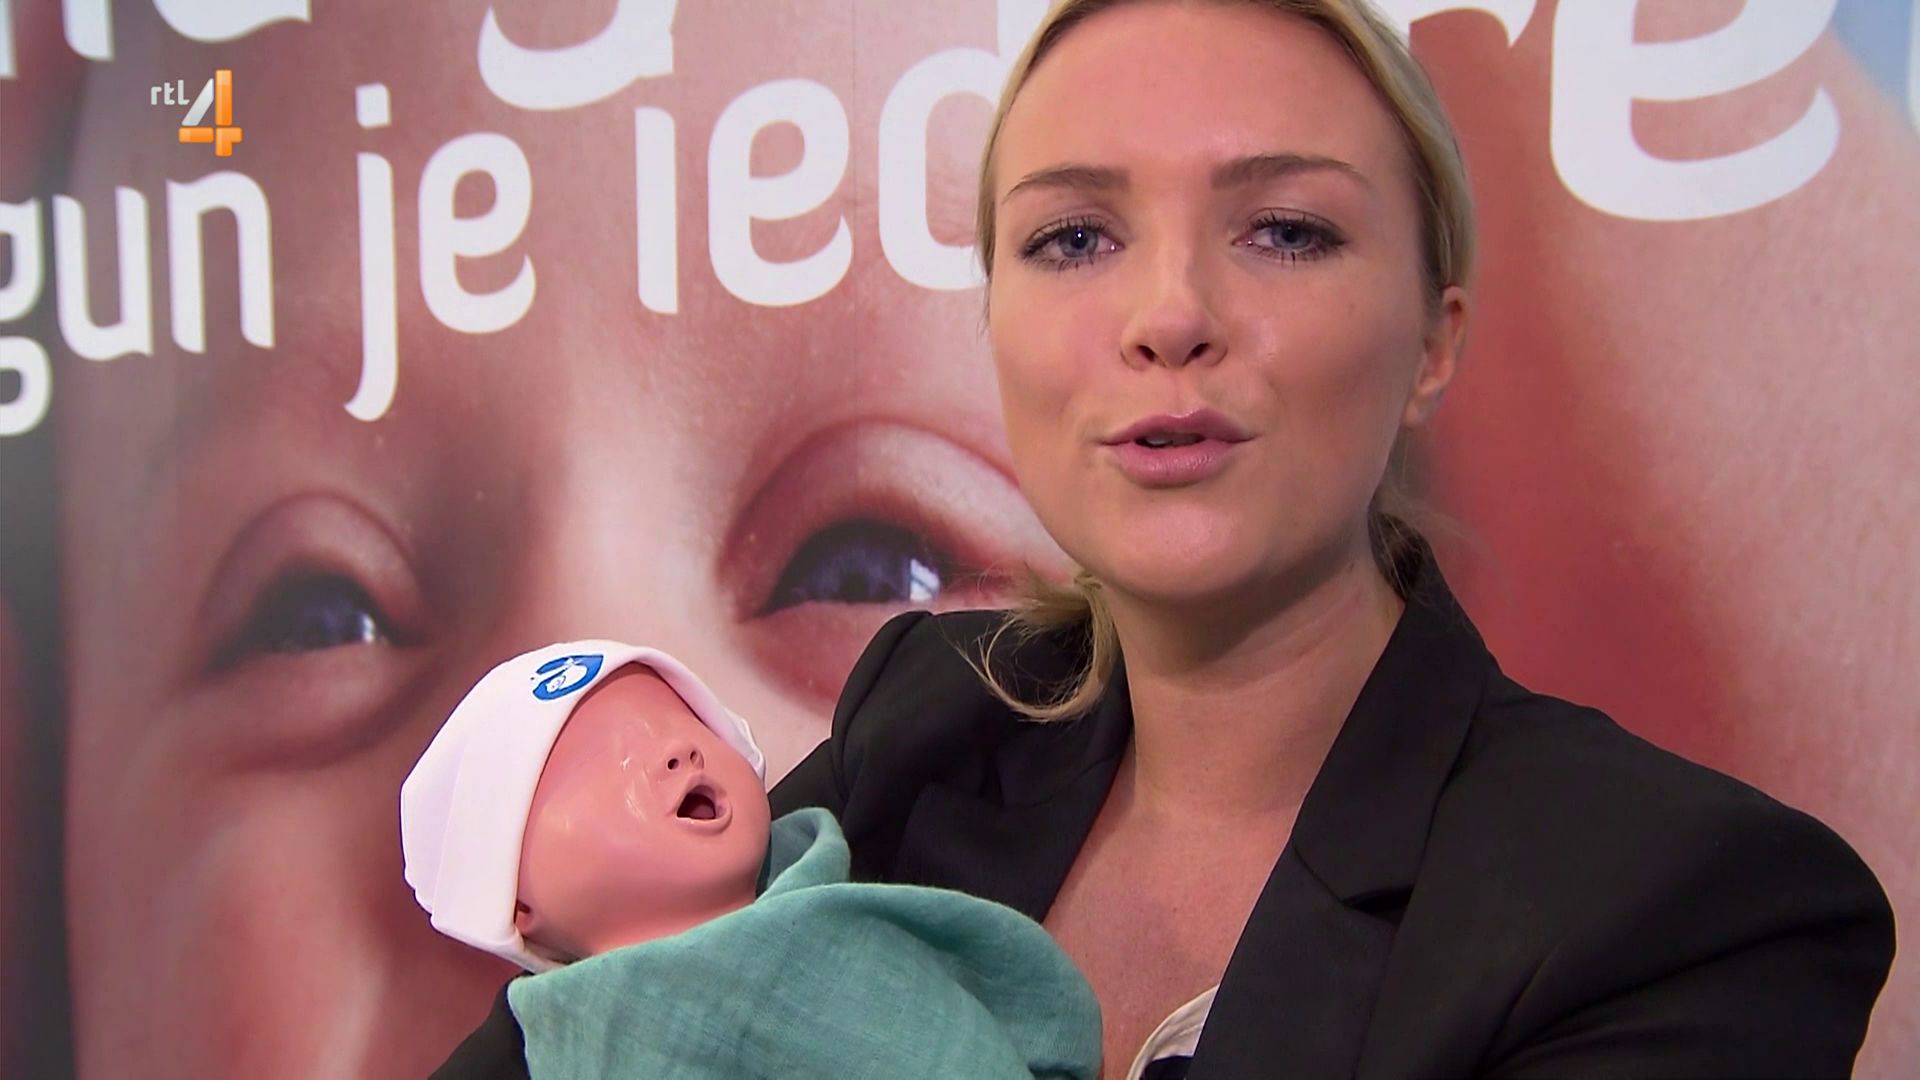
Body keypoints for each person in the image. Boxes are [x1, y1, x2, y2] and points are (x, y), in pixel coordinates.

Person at [768, 1, 1897, 1076]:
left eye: (1286, 232)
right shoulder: (919, 729)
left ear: (1432, 346)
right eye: (1072, 239)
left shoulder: (1689, 910)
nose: (1170, 316)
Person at [404, 642, 1099, 1079]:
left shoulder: (852, 900)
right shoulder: (605, 1041)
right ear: (518, 904)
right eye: (595, 767)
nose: (677, 750)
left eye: (684, 722)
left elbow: (1037, 1008)